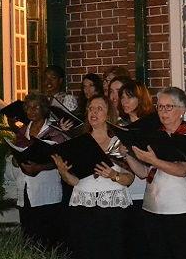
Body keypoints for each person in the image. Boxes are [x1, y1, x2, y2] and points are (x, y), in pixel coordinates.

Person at [52, 95, 134, 259]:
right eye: (91, 108)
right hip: (83, 206)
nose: (93, 112)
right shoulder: (78, 142)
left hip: (112, 208)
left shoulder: (118, 142)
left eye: (99, 108)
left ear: (108, 114)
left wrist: (113, 175)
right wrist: (63, 172)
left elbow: (130, 178)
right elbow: (74, 181)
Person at [125, 86, 186, 259]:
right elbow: (144, 173)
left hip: (179, 209)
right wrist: (127, 154)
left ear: (182, 109)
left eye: (168, 107)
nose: (163, 111)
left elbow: (183, 170)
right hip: (152, 207)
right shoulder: (154, 135)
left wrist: (153, 160)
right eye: (159, 107)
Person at [14, 93, 66, 251]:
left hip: (46, 189)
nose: (31, 111)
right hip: (26, 187)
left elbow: (61, 160)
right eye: (28, 107)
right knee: (29, 233)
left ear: (44, 109)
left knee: (47, 236)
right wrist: (16, 159)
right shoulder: (22, 131)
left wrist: (39, 167)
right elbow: (16, 153)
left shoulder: (54, 131)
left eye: (36, 107)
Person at [116, 78, 154, 259]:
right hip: (124, 194)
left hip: (144, 193)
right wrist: (122, 154)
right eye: (122, 97)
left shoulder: (150, 126)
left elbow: (144, 172)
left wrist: (129, 154)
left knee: (143, 247)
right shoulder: (120, 125)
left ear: (141, 99)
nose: (124, 102)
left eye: (129, 97)